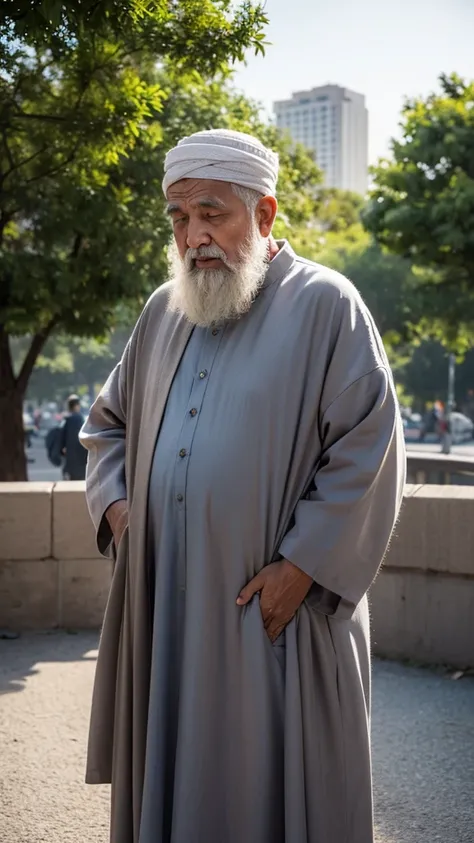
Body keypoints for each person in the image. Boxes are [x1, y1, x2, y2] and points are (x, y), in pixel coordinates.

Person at [80, 129, 406, 843]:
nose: (193, 236)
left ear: (264, 214)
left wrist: (302, 567)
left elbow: (371, 447)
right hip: (167, 613)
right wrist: (124, 512)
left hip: (275, 620)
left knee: (274, 798)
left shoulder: (329, 304)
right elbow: (106, 427)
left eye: (211, 212)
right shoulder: (164, 310)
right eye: (178, 218)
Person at [60, 394, 87, 480]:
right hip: (80, 456)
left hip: (70, 457)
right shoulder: (79, 419)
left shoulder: (66, 420)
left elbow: (62, 438)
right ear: (76, 406)